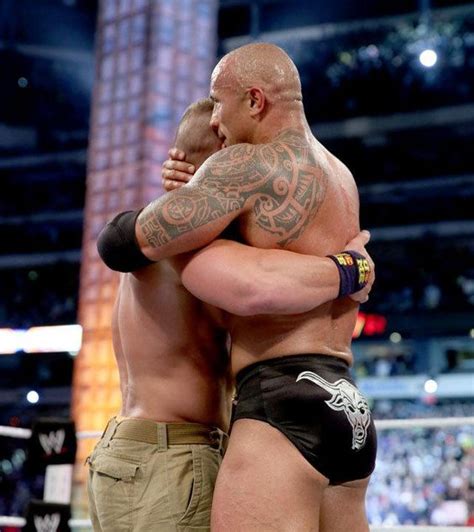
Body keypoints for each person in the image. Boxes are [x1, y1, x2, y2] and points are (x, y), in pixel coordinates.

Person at [90, 98, 374, 532]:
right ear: (222, 162)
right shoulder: (191, 248)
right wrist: (352, 268)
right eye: (245, 158)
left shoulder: (161, 236)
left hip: (129, 448)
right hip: (173, 454)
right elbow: (261, 287)